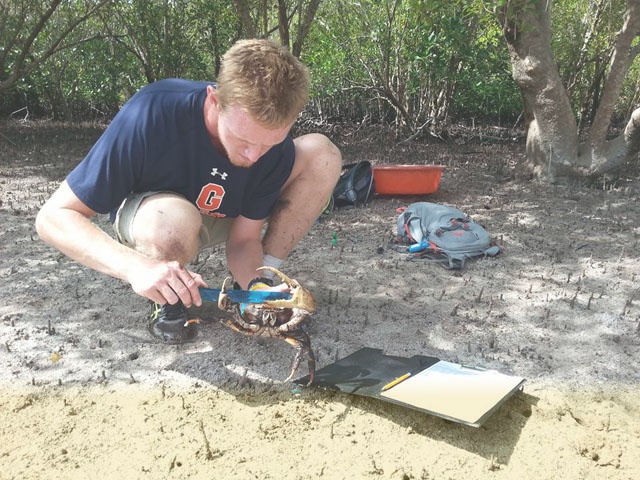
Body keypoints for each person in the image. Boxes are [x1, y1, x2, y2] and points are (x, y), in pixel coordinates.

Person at [35, 38, 342, 344]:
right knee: (171, 222)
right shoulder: (153, 112)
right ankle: (167, 300)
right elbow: (53, 217)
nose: (253, 156)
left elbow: (244, 239)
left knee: (322, 152)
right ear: (214, 101)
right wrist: (137, 268)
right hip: (156, 216)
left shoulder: (275, 151)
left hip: (223, 212)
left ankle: (260, 289)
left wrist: (254, 284)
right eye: (243, 140)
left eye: (268, 143)